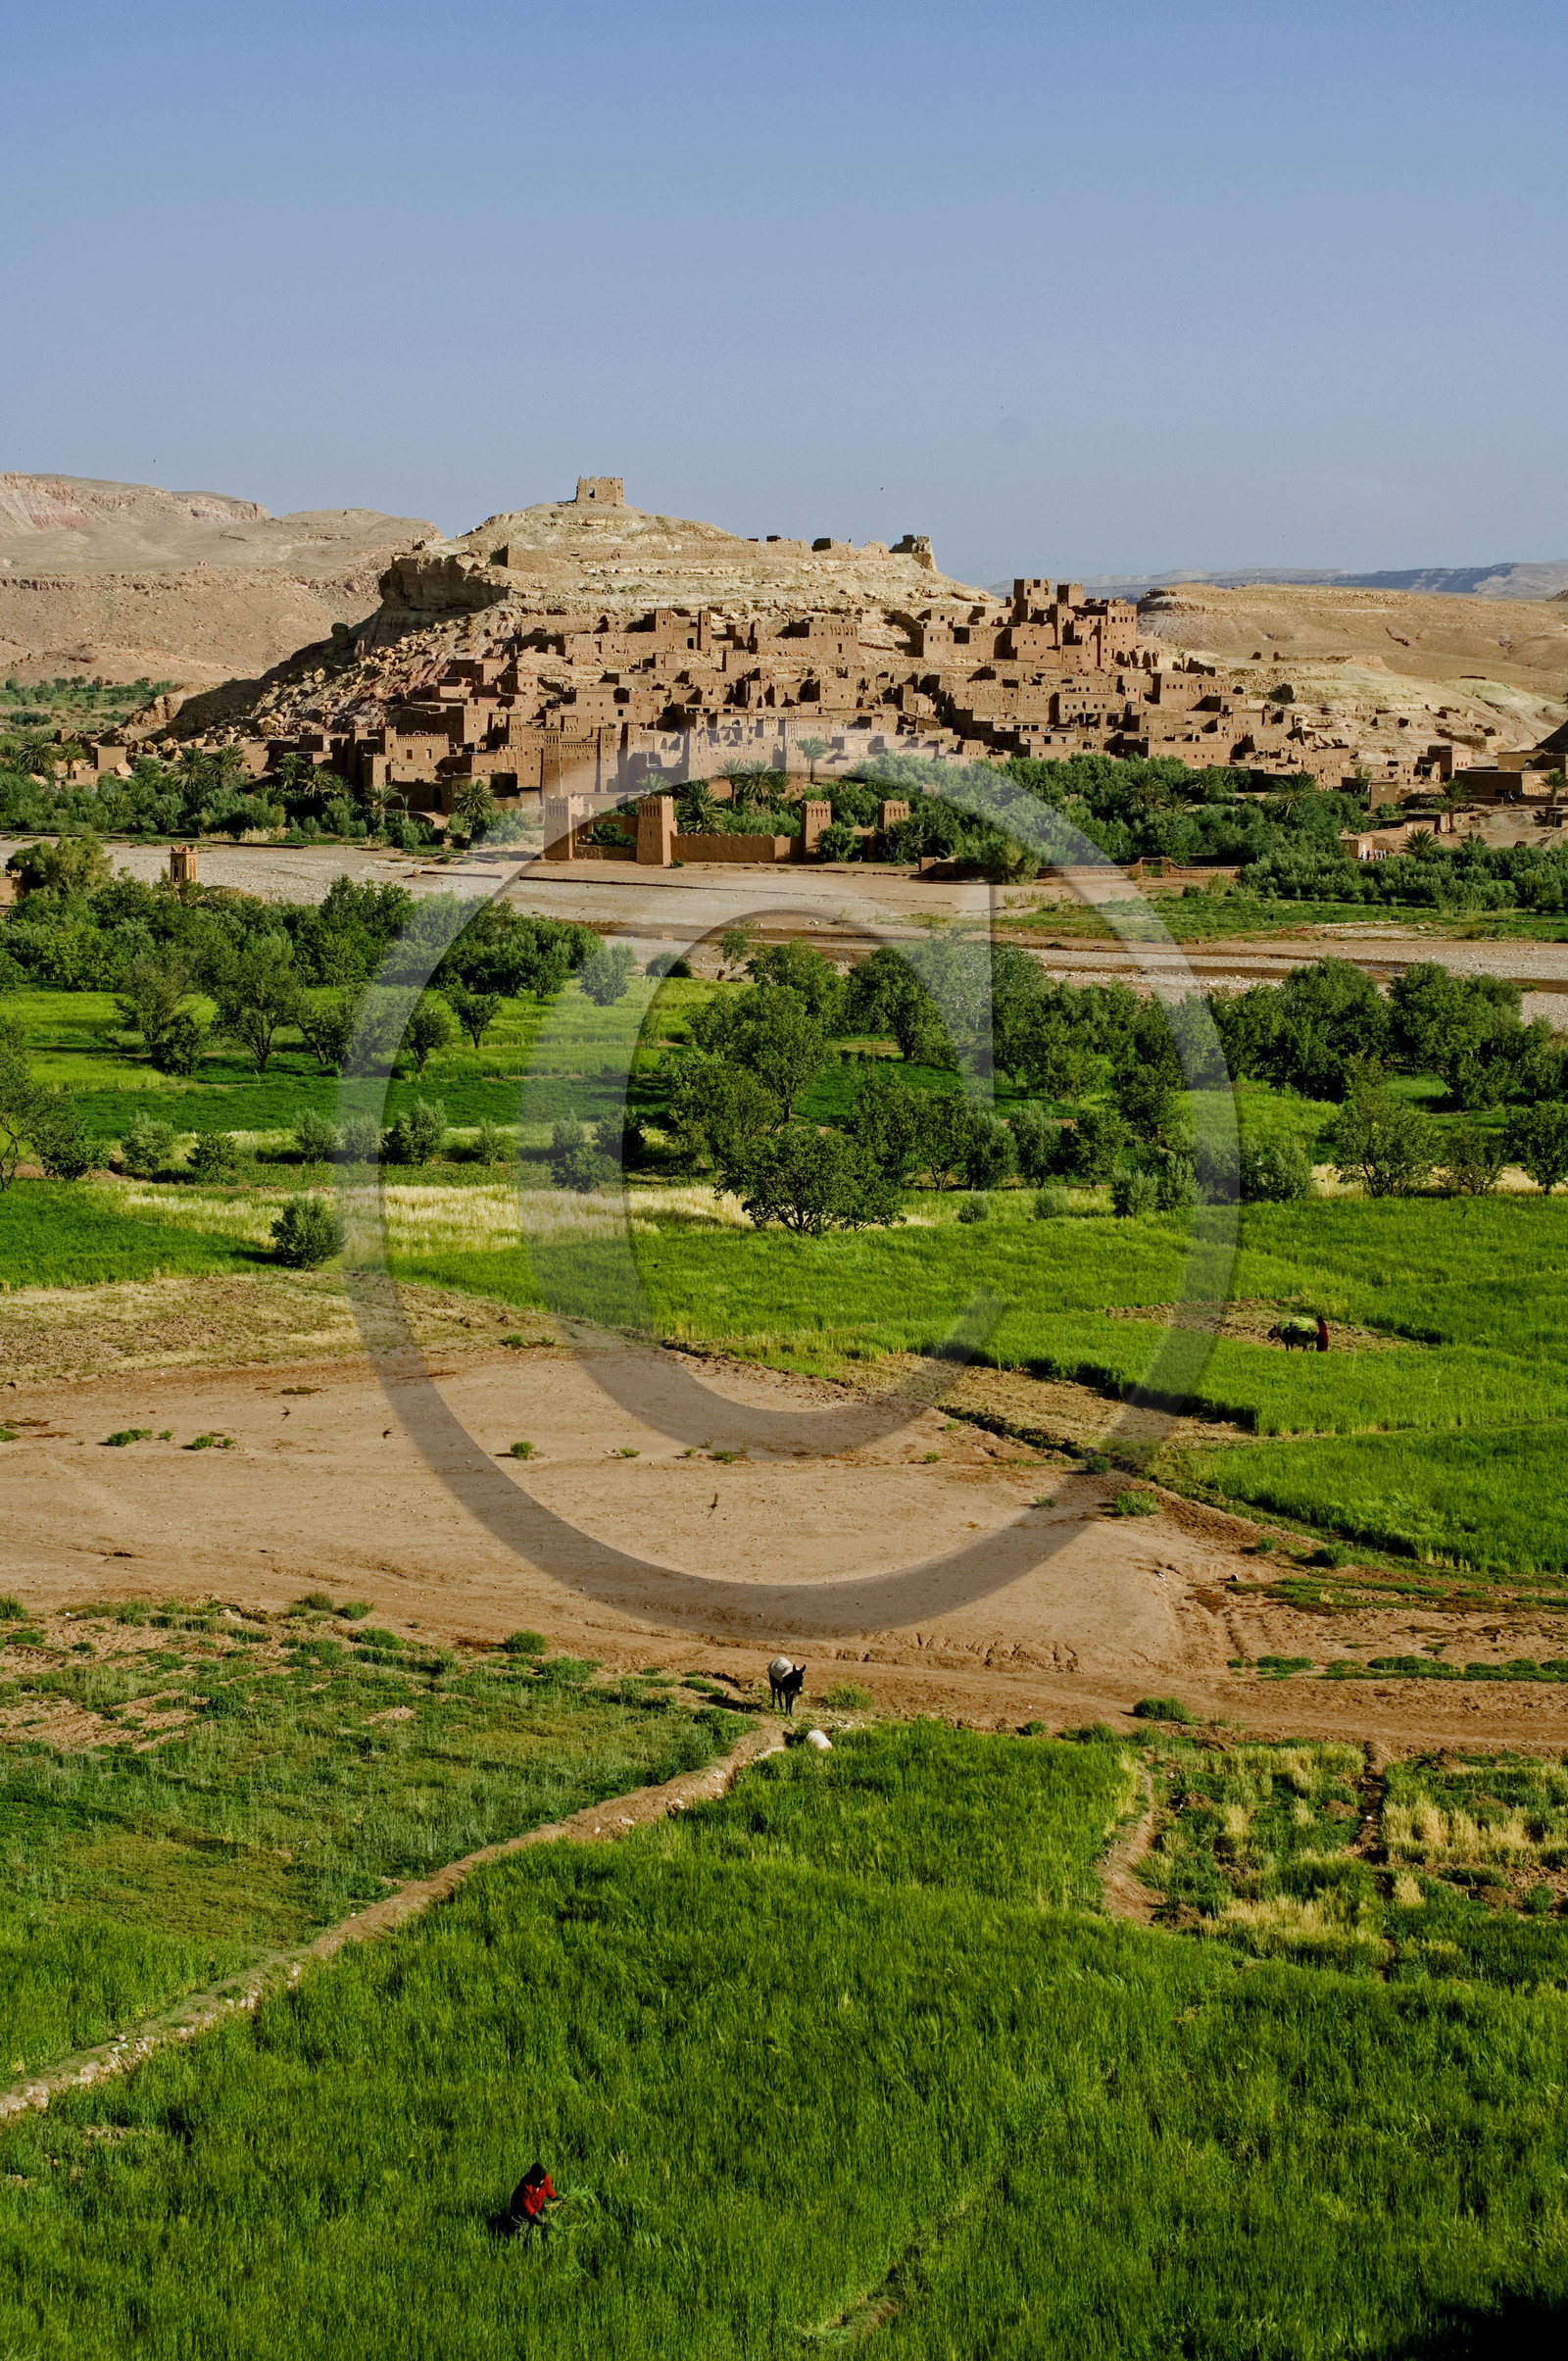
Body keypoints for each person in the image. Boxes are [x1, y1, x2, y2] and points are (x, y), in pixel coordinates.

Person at [511, 2161, 556, 2242]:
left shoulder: (545, 2179)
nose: (540, 2183)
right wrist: (536, 2215)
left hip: (535, 2206)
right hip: (520, 2210)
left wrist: (555, 2198)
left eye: (542, 2181)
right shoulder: (526, 2186)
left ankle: (531, 2242)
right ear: (533, 2179)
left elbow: (547, 2190)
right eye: (538, 2181)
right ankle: (520, 2245)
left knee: (533, 2227)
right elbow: (526, 2204)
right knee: (522, 2229)